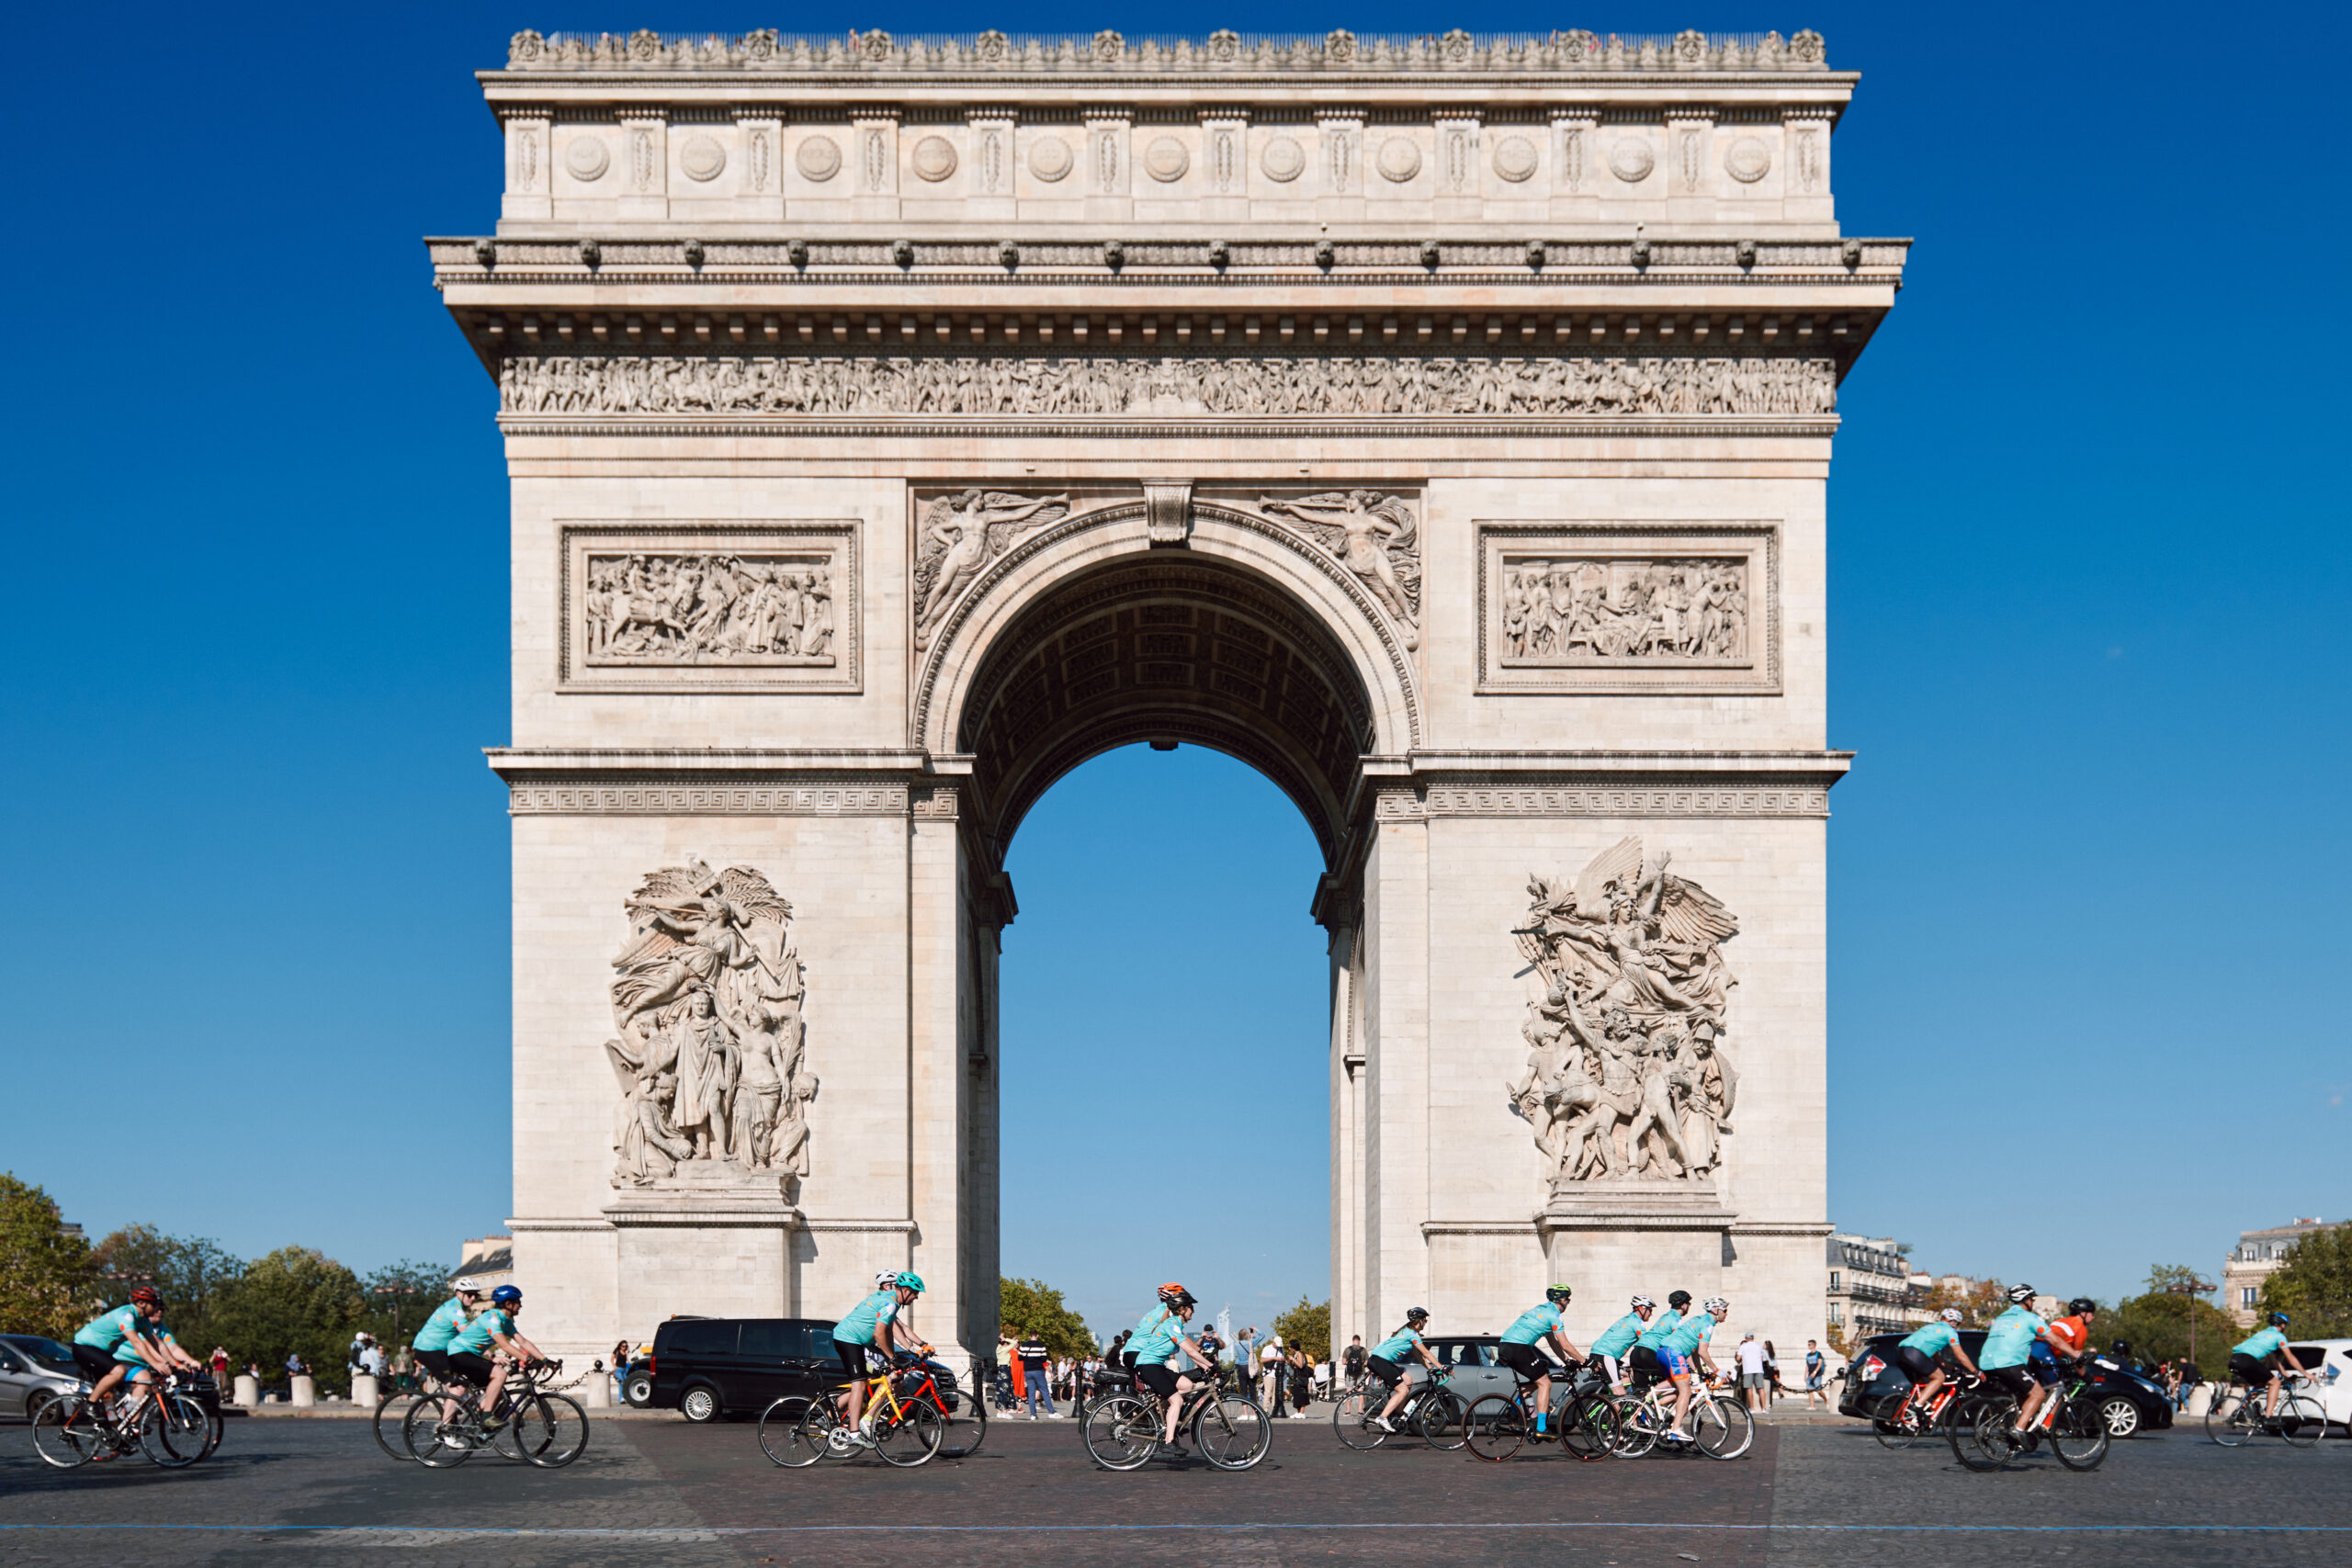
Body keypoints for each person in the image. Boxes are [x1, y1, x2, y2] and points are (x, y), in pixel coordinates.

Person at [831, 1272, 926, 1449]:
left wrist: (893, 1358)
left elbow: (888, 1331)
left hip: (858, 1341)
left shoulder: (893, 1301)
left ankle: (869, 1418)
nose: (916, 1297)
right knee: (859, 1384)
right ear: (905, 1291)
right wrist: (891, 1356)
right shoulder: (890, 1302)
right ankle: (854, 1432)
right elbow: (878, 1332)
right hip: (848, 1339)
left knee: (887, 1377)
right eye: (914, 1293)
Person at [1977, 1283, 2076, 1445]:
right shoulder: (2030, 1318)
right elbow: (2054, 1339)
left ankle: (2010, 1425)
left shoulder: (2001, 1318)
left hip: (1986, 1363)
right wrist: (2075, 1355)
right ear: (2027, 1300)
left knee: (2024, 1395)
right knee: (2038, 1394)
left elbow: (2011, 1341)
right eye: (2032, 1299)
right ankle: (2018, 1429)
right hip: (2009, 1363)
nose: (2033, 1303)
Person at [1128, 1285, 1217, 1448]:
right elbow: (1189, 1351)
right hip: (1147, 1365)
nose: (1193, 1311)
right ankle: (1168, 1441)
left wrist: (1206, 1365)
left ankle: (1162, 1414)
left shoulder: (1175, 1324)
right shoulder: (1172, 1325)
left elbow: (1192, 1352)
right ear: (1182, 1309)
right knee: (1176, 1400)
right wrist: (1211, 1366)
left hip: (1156, 1366)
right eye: (1191, 1307)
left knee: (1187, 1385)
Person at [1496, 1285, 1586, 1439]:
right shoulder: (1554, 1315)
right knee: (1545, 1383)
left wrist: (1566, 1360)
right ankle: (1541, 1428)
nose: (1568, 1303)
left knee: (1540, 1377)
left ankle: (1516, 1406)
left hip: (1506, 1346)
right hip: (1518, 1347)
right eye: (1568, 1300)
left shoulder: (1541, 1310)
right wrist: (1585, 1361)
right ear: (1561, 1300)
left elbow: (1552, 1342)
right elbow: (1565, 1345)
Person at [69, 1288, 173, 1421]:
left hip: (102, 1352)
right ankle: (90, 1404)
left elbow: (156, 1343)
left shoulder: (142, 1320)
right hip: (84, 1347)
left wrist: (172, 1364)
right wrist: (155, 1364)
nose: (156, 1309)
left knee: (109, 1398)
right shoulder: (126, 1315)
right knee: (119, 1370)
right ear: (141, 1303)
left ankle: (114, 1434)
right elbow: (136, 1342)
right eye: (153, 1304)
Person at [1655, 1295, 1729, 1445]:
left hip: (1664, 1351)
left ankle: (1650, 1403)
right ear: (1716, 1310)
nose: (1726, 1313)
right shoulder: (1708, 1324)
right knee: (1686, 1391)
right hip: (1674, 1352)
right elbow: (1702, 1351)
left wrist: (1700, 1372)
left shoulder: (1699, 1319)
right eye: (1725, 1310)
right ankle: (1675, 1429)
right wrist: (1717, 1370)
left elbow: (1694, 1352)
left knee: (1680, 1387)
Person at [1890, 1309, 1979, 1426]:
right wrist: (1975, 1371)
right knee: (1939, 1378)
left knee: (1922, 1387)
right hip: (1915, 1354)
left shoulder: (1929, 1328)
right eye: (1957, 1324)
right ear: (1954, 1323)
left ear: (1942, 1319)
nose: (1956, 1327)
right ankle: (1917, 1406)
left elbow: (1938, 1360)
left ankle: (1912, 1417)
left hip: (1901, 1354)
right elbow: (1960, 1355)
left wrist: (1954, 1369)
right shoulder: (1950, 1331)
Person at [1365, 1308, 1444, 1435]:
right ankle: (1382, 1417)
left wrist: (1431, 1369)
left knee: (1408, 1380)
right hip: (1381, 1361)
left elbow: (1419, 1356)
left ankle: (1399, 1414)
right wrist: (1442, 1367)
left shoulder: (1406, 1331)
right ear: (1420, 1320)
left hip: (1379, 1360)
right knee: (1402, 1390)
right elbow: (1426, 1353)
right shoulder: (1412, 1335)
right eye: (1425, 1320)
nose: (1426, 1322)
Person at [2228, 1312, 2309, 1419]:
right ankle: (2268, 1416)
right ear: (2283, 1325)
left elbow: (2273, 1360)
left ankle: (2240, 1410)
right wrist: (2306, 1374)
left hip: (2235, 1359)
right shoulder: (2279, 1336)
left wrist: (2285, 1374)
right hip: (2248, 1360)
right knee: (2275, 1383)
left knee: (2261, 1384)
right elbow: (2290, 1357)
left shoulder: (2262, 1334)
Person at [412, 1277, 487, 1388]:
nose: (473, 1298)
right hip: (429, 1350)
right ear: (458, 1294)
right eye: (470, 1294)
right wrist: (489, 1354)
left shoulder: (454, 1306)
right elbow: (467, 1335)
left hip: (436, 1350)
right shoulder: (455, 1310)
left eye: (476, 1295)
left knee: (465, 1379)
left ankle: (464, 1404)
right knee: (457, 1386)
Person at [1589, 1294, 1657, 1393]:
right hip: (1605, 1355)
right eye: (1650, 1310)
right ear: (1642, 1309)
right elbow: (1647, 1343)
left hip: (1603, 1354)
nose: (1651, 1313)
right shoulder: (1637, 1322)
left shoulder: (1629, 1318)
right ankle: (1617, 1400)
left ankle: (1621, 1399)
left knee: (1633, 1374)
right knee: (1619, 1393)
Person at [1628, 1290, 1690, 1383]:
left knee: (1641, 1390)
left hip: (1635, 1353)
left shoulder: (1665, 1317)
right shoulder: (1675, 1320)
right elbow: (1682, 1344)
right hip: (1648, 1353)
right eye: (1688, 1303)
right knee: (1676, 1380)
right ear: (1684, 1305)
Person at [1019, 1327, 1054, 1418]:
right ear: (1037, 1335)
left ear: (1029, 1336)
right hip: (1038, 1370)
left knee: (1031, 1393)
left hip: (1028, 1371)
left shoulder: (1024, 1345)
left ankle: (1033, 1414)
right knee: (1044, 1391)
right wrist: (1050, 1371)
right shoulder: (1041, 1346)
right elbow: (1043, 1360)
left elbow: (1020, 1358)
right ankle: (1051, 1412)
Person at [1736, 1334, 1769, 1412]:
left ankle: (1752, 1408)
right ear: (1753, 1338)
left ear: (1746, 1338)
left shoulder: (1743, 1346)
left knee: (1749, 1389)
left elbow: (1738, 1358)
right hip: (1758, 1369)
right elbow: (1761, 1358)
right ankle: (1764, 1408)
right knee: (1761, 1389)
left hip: (1748, 1370)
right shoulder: (1759, 1346)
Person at [1804, 1340, 1826, 1408]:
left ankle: (1826, 1400)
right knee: (1810, 1390)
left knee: (1819, 1391)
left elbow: (1819, 1364)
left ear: (1814, 1345)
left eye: (1809, 1344)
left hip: (1817, 1375)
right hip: (1810, 1375)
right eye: (1808, 1345)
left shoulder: (1818, 1354)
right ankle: (1812, 1406)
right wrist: (1805, 1375)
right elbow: (1807, 1365)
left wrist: (1815, 1372)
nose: (1808, 1346)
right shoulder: (1808, 1355)